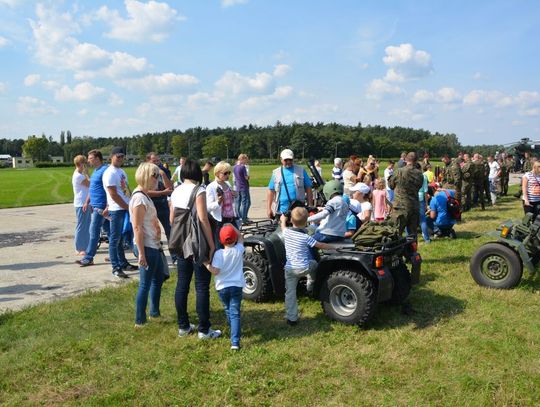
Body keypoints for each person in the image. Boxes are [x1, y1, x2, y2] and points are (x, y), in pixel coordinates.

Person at [169, 159, 221, 339]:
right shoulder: (199, 190)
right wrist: (211, 244)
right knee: (201, 287)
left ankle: (183, 326)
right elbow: (203, 218)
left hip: (181, 242)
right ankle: (204, 329)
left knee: (182, 284)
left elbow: (172, 219)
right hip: (197, 242)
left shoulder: (175, 191)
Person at [280, 207, 337, 326]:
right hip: (304, 267)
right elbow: (320, 245)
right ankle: (310, 286)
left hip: (290, 269)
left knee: (290, 292)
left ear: (291, 219)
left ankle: (292, 318)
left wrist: (283, 219)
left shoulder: (287, 232)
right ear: (306, 222)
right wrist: (333, 247)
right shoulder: (306, 237)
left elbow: (283, 225)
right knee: (315, 264)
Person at [130, 162, 165, 327]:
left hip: (154, 245)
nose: (158, 179)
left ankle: (154, 312)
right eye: (155, 175)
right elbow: (137, 227)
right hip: (147, 247)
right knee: (145, 284)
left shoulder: (145, 196)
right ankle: (139, 320)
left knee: (158, 279)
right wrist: (142, 254)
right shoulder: (138, 198)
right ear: (146, 176)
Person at [208, 224, 245, 350]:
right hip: (236, 286)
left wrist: (206, 264)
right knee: (235, 313)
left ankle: (234, 329)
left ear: (220, 240)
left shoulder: (218, 254)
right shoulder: (239, 250)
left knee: (228, 309)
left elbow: (215, 271)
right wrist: (231, 226)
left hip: (222, 288)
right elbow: (240, 237)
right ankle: (235, 341)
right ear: (234, 239)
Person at [103, 146, 136, 278]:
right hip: (117, 209)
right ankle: (115, 267)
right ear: (112, 157)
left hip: (125, 208)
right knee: (114, 239)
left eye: (122, 156)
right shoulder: (109, 173)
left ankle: (123, 263)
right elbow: (113, 194)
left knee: (120, 239)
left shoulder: (121, 171)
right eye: (118, 156)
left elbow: (126, 189)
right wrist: (126, 206)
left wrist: (132, 201)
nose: (120, 159)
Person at [77, 150, 109, 267]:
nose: (88, 160)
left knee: (93, 232)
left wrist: (107, 206)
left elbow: (109, 190)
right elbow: (93, 188)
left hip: (101, 207)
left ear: (97, 158)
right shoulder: (96, 171)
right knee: (111, 233)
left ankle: (88, 257)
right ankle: (117, 256)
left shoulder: (105, 170)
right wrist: (87, 202)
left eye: (90, 158)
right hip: (95, 206)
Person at [266, 149, 313, 219]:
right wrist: (268, 208)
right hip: (281, 210)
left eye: (290, 160)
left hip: (298, 210)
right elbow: (271, 190)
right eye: (286, 160)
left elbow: (308, 188)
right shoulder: (276, 173)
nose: (288, 162)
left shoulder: (301, 170)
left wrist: (310, 206)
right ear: (281, 160)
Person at [388, 152, 423, 236]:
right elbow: (419, 186)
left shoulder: (399, 171)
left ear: (406, 159)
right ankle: (412, 249)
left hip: (400, 207)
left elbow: (391, 185)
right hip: (414, 206)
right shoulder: (419, 174)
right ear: (416, 160)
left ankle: (398, 249)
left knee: (395, 234)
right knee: (412, 234)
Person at [207, 161, 238, 248]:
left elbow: (231, 199)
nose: (228, 175)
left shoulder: (227, 184)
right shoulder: (211, 187)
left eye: (229, 173)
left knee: (235, 242)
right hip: (219, 221)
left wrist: (235, 195)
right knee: (220, 246)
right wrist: (218, 202)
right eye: (225, 173)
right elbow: (208, 207)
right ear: (217, 173)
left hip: (231, 218)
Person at [145, 152, 173, 239]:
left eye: (158, 160)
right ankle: (158, 251)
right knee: (152, 231)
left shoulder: (164, 171)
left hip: (163, 204)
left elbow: (169, 188)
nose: (157, 163)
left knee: (170, 230)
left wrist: (163, 174)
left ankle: (173, 251)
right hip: (150, 204)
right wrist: (161, 193)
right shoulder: (145, 173)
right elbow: (146, 192)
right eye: (154, 161)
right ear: (148, 161)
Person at [72, 155, 91, 255]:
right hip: (81, 203)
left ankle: (84, 245)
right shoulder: (79, 176)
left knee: (85, 225)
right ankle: (79, 247)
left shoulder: (79, 174)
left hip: (82, 202)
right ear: (80, 164)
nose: (86, 165)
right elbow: (91, 184)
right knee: (82, 225)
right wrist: (87, 173)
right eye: (85, 163)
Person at [233, 154, 251, 225]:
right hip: (244, 186)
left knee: (238, 202)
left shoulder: (234, 167)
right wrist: (248, 177)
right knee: (245, 202)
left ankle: (239, 217)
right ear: (242, 159)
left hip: (238, 186)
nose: (247, 161)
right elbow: (246, 177)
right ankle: (243, 218)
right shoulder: (243, 167)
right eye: (246, 159)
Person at [417, 168, 431, 243]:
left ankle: (409, 240)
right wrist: (427, 204)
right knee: (423, 219)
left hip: (412, 198)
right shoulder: (424, 177)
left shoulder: (410, 175)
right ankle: (427, 239)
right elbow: (426, 191)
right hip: (421, 198)